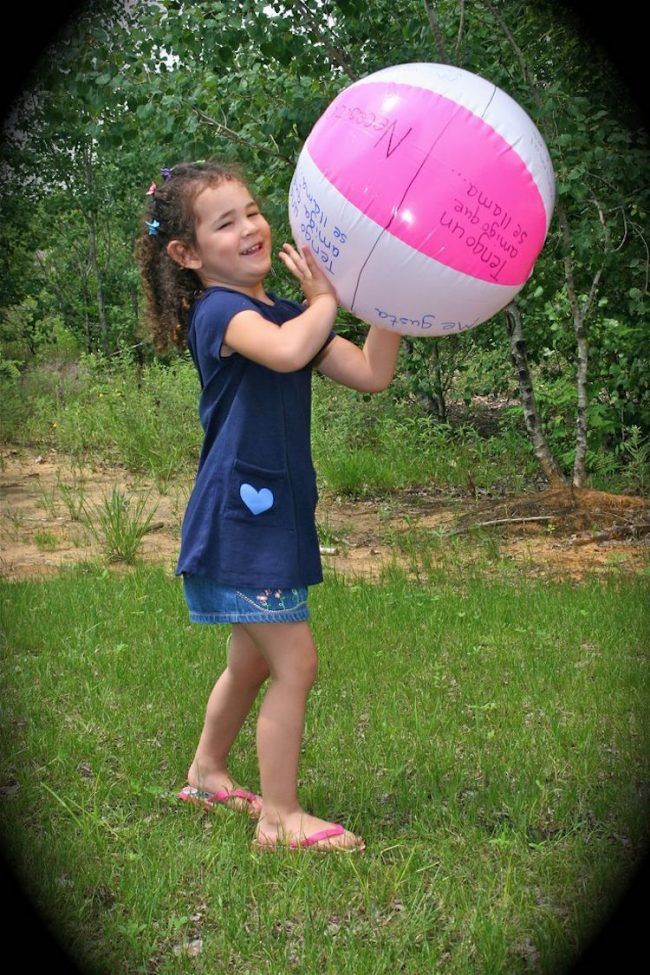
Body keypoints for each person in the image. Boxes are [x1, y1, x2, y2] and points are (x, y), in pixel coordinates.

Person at [136, 161, 401, 851]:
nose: (252, 226)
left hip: (268, 520)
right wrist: (325, 301)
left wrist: (391, 303)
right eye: (226, 222)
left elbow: (370, 373)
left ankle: (205, 772)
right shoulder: (222, 313)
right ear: (187, 255)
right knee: (295, 661)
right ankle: (279, 815)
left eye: (252, 210)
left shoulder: (288, 313)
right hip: (237, 525)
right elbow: (287, 352)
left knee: (252, 663)